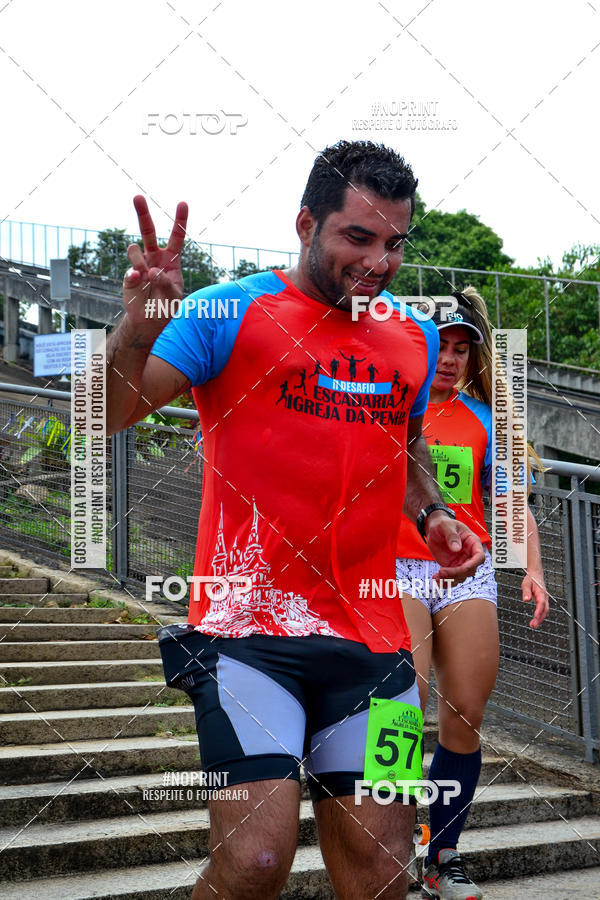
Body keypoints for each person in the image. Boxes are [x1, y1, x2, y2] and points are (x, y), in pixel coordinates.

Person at [105, 140, 485, 900]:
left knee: (383, 876)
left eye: (394, 243)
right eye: (358, 237)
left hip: (377, 648)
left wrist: (437, 512)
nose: (378, 261)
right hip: (248, 639)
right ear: (307, 222)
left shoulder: (410, 337)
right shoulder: (229, 309)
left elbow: (403, 451)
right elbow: (110, 411)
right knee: (254, 864)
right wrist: (142, 325)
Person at [396, 287, 549, 899]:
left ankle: (442, 856)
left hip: (469, 573)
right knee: (403, 710)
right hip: (396, 568)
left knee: (464, 714)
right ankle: (386, 842)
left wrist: (532, 569)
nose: (452, 359)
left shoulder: (488, 420)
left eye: (464, 349)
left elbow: (513, 504)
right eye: (443, 346)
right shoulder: (391, 408)